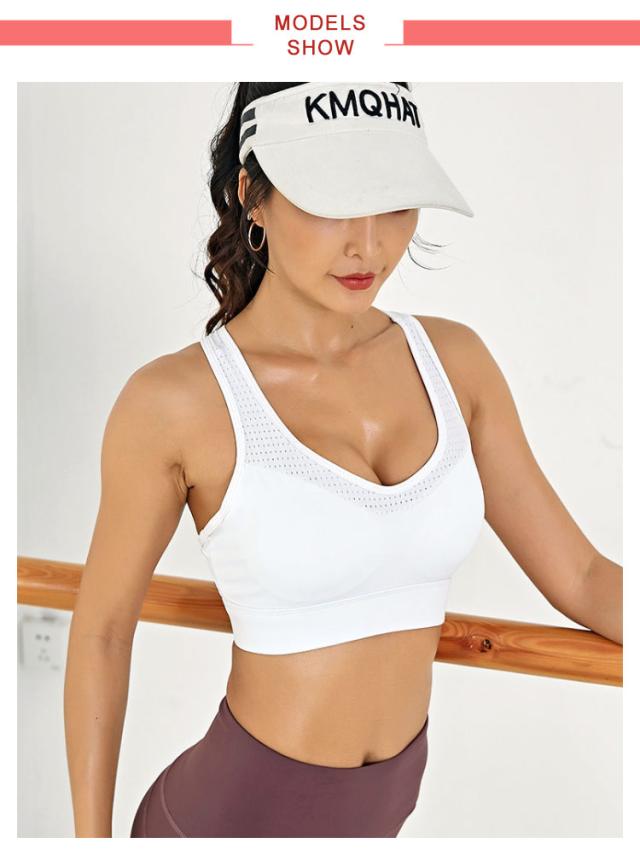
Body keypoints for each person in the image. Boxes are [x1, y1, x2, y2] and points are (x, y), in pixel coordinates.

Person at [64, 82, 622, 838]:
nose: (370, 244)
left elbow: (582, 576)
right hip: (222, 824)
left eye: (393, 202)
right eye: (332, 202)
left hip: (377, 821)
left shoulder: (455, 364)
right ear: (252, 196)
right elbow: (102, 632)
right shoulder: (177, 402)